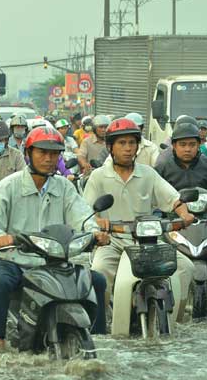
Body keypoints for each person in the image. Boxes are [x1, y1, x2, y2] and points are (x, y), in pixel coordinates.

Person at [0, 127, 110, 347]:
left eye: (54, 153)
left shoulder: (64, 187)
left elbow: (81, 216)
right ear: (28, 153)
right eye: (42, 152)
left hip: (55, 261)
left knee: (96, 280)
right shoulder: (9, 186)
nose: (49, 159)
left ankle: (96, 337)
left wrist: (94, 232)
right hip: (16, 260)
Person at [84, 118, 196, 323]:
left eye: (132, 143)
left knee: (186, 267)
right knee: (99, 271)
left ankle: (178, 321)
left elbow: (174, 199)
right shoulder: (98, 176)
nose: (127, 148)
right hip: (113, 241)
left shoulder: (148, 174)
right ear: (110, 147)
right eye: (121, 143)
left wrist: (185, 214)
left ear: (137, 146)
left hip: (149, 241)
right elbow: (86, 213)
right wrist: (99, 222)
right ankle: (101, 322)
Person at [154, 122, 207, 310]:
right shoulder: (162, 167)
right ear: (174, 146)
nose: (187, 149)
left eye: (192, 144)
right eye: (182, 145)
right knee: (158, 258)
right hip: (173, 220)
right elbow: (152, 193)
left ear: (199, 144)